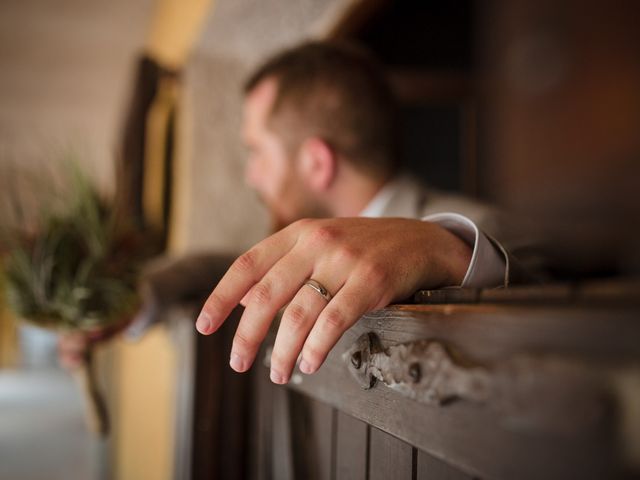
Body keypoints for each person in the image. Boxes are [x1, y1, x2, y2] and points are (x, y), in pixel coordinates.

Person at [195, 41, 541, 385]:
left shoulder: (482, 231)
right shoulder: (308, 260)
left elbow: (547, 291)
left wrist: (449, 249)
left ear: (316, 163)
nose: (251, 175)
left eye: (257, 152)